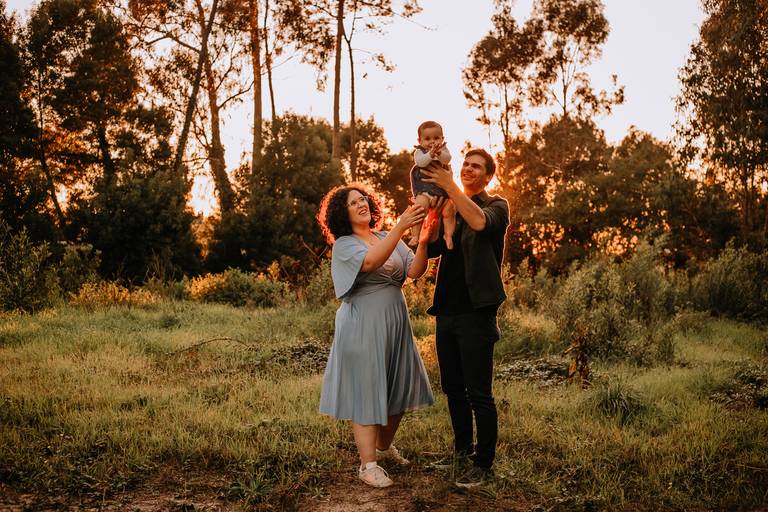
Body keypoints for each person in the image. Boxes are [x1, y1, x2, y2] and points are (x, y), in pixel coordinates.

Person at [316, 183, 436, 488]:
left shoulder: (385, 237)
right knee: (366, 389)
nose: (362, 204)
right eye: (353, 202)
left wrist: (422, 241)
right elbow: (370, 262)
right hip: (362, 324)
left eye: (364, 199)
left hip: (396, 323)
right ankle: (368, 465)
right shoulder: (344, 245)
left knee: (399, 386)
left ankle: (383, 448)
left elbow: (414, 271)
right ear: (342, 214)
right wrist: (401, 226)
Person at [420, 148, 509, 488]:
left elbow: (480, 223)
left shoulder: (496, 206)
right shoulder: (450, 209)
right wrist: (423, 226)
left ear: (487, 176)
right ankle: (461, 452)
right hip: (447, 311)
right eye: (466, 164)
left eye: (477, 166)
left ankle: (484, 465)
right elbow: (435, 250)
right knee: (453, 389)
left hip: (477, 312)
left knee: (478, 393)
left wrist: (452, 187)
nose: (469, 169)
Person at [409, 121, 457, 250]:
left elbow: (447, 159)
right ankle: (415, 235)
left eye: (436, 138)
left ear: (442, 139)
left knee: (449, 211)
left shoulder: (443, 150)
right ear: (420, 141)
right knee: (419, 208)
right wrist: (430, 154)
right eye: (427, 138)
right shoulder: (419, 152)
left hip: (442, 191)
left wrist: (439, 153)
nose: (432, 142)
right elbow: (421, 162)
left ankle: (448, 235)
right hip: (425, 190)